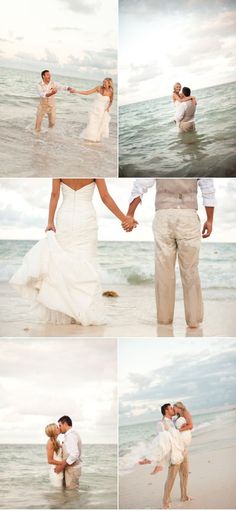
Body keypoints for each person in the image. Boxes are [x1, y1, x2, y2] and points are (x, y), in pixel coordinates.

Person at [10, 179, 137, 326]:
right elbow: (105, 197)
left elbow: (54, 194)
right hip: (86, 218)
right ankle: (82, 312)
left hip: (65, 217)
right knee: (85, 263)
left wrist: (50, 222)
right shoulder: (95, 166)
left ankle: (65, 312)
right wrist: (124, 219)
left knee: (62, 263)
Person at [123, 178, 216, 328]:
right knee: (190, 271)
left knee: (163, 271)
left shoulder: (158, 158)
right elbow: (208, 190)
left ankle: (164, 320)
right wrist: (210, 220)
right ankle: (193, 321)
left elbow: (140, 186)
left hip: (163, 216)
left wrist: (130, 214)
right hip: (188, 216)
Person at [139, 403, 192, 508]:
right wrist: (160, 460)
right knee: (171, 478)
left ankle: (184, 496)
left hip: (183, 451)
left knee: (185, 474)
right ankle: (165, 501)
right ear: (166, 411)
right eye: (171, 408)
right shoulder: (161, 424)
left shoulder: (175, 420)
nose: (173, 410)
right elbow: (162, 443)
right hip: (174, 455)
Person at [54, 416, 82, 490]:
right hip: (71, 468)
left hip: (72, 469)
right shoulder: (70, 435)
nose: (59, 428)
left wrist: (61, 466)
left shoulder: (71, 435)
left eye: (60, 425)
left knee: (72, 494)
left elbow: (74, 454)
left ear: (65, 424)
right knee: (69, 494)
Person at [45, 423, 64, 488]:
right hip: (56, 471)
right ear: (54, 431)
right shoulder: (50, 443)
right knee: (57, 495)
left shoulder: (56, 441)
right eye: (57, 427)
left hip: (60, 469)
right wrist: (63, 463)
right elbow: (50, 460)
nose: (59, 428)